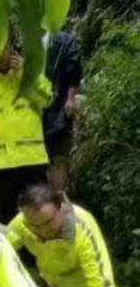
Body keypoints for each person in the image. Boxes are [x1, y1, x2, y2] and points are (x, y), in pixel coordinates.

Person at [0, 40, 52, 223]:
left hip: (32, 158)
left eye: (3, 49)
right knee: (3, 219)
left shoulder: (29, 74)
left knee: (42, 213)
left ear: (12, 49)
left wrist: (26, 73)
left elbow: (46, 99)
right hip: (0, 163)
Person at [43, 30, 83, 194]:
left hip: (56, 108)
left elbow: (74, 70)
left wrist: (70, 98)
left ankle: (59, 196)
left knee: (58, 155)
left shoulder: (64, 40)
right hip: (34, 111)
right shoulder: (25, 38)